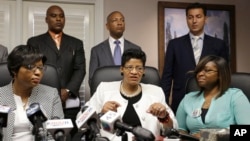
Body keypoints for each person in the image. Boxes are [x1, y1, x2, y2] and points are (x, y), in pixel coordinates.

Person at [82, 48, 178, 141]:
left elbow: (172, 130)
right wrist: (101, 114)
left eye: (139, 68)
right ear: (122, 69)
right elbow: (81, 118)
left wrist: (164, 117)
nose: (134, 72)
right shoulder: (104, 89)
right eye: (129, 67)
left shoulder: (156, 92)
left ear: (144, 71)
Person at [27, 5, 86, 137]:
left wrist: (68, 90)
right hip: (43, 97)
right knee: (44, 135)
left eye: (61, 16)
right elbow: (32, 69)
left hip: (70, 101)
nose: (58, 19)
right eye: (54, 16)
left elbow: (80, 69)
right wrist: (52, 93)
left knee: (70, 136)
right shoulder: (34, 42)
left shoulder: (76, 43)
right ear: (46, 19)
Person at [160, 2, 229, 114]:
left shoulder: (218, 44)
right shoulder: (174, 44)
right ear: (186, 19)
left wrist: (225, 100)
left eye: (198, 16)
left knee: (209, 131)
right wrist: (163, 103)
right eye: (190, 17)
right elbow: (167, 76)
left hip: (212, 100)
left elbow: (224, 75)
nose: (194, 21)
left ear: (205, 18)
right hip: (181, 100)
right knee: (180, 131)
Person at [176, 55, 250, 139]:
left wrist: (208, 135)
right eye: (198, 71)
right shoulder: (188, 98)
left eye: (207, 71)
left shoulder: (235, 96)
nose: (200, 74)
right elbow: (180, 129)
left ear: (220, 74)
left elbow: (245, 131)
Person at [0, 45, 64, 140]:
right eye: (31, 67)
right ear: (14, 70)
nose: (38, 72)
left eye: (41, 68)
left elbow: (57, 135)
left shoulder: (51, 94)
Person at [89, 11, 140, 88]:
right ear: (107, 26)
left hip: (130, 94)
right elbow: (92, 80)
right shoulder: (97, 50)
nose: (119, 23)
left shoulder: (136, 49)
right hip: (106, 95)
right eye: (115, 20)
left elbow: (140, 75)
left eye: (122, 20)